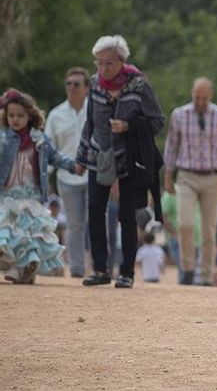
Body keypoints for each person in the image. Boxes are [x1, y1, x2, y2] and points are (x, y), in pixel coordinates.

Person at [77, 35, 165, 289]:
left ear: (121, 61)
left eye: (108, 63)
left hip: (129, 158)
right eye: (99, 63)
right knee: (95, 210)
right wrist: (81, 156)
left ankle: (126, 272)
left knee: (127, 215)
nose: (103, 68)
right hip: (99, 155)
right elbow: (90, 122)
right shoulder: (95, 83)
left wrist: (129, 126)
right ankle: (100, 269)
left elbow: (157, 121)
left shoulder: (139, 85)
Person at [164, 77, 217, 285]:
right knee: (185, 223)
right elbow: (171, 146)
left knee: (209, 229)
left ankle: (207, 274)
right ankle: (188, 269)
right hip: (186, 176)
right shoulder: (179, 115)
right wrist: (168, 175)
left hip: (212, 177)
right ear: (192, 93)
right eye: (197, 97)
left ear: (211, 96)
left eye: (204, 98)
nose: (200, 102)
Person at [0, 89, 82, 284]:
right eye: (11, 115)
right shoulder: (3, 139)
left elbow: (56, 157)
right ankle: (14, 266)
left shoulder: (40, 140)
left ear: (30, 116)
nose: (15, 119)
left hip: (31, 196)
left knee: (28, 236)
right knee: (7, 231)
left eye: (20, 115)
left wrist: (74, 166)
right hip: (8, 195)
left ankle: (24, 270)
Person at [45, 67, 91, 277]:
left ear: (87, 88)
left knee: (97, 223)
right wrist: (46, 178)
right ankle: (77, 269)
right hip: (66, 178)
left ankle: (102, 268)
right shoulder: (56, 115)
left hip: (94, 176)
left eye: (77, 84)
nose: (72, 87)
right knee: (74, 225)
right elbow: (49, 149)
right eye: (68, 84)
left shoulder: (95, 111)